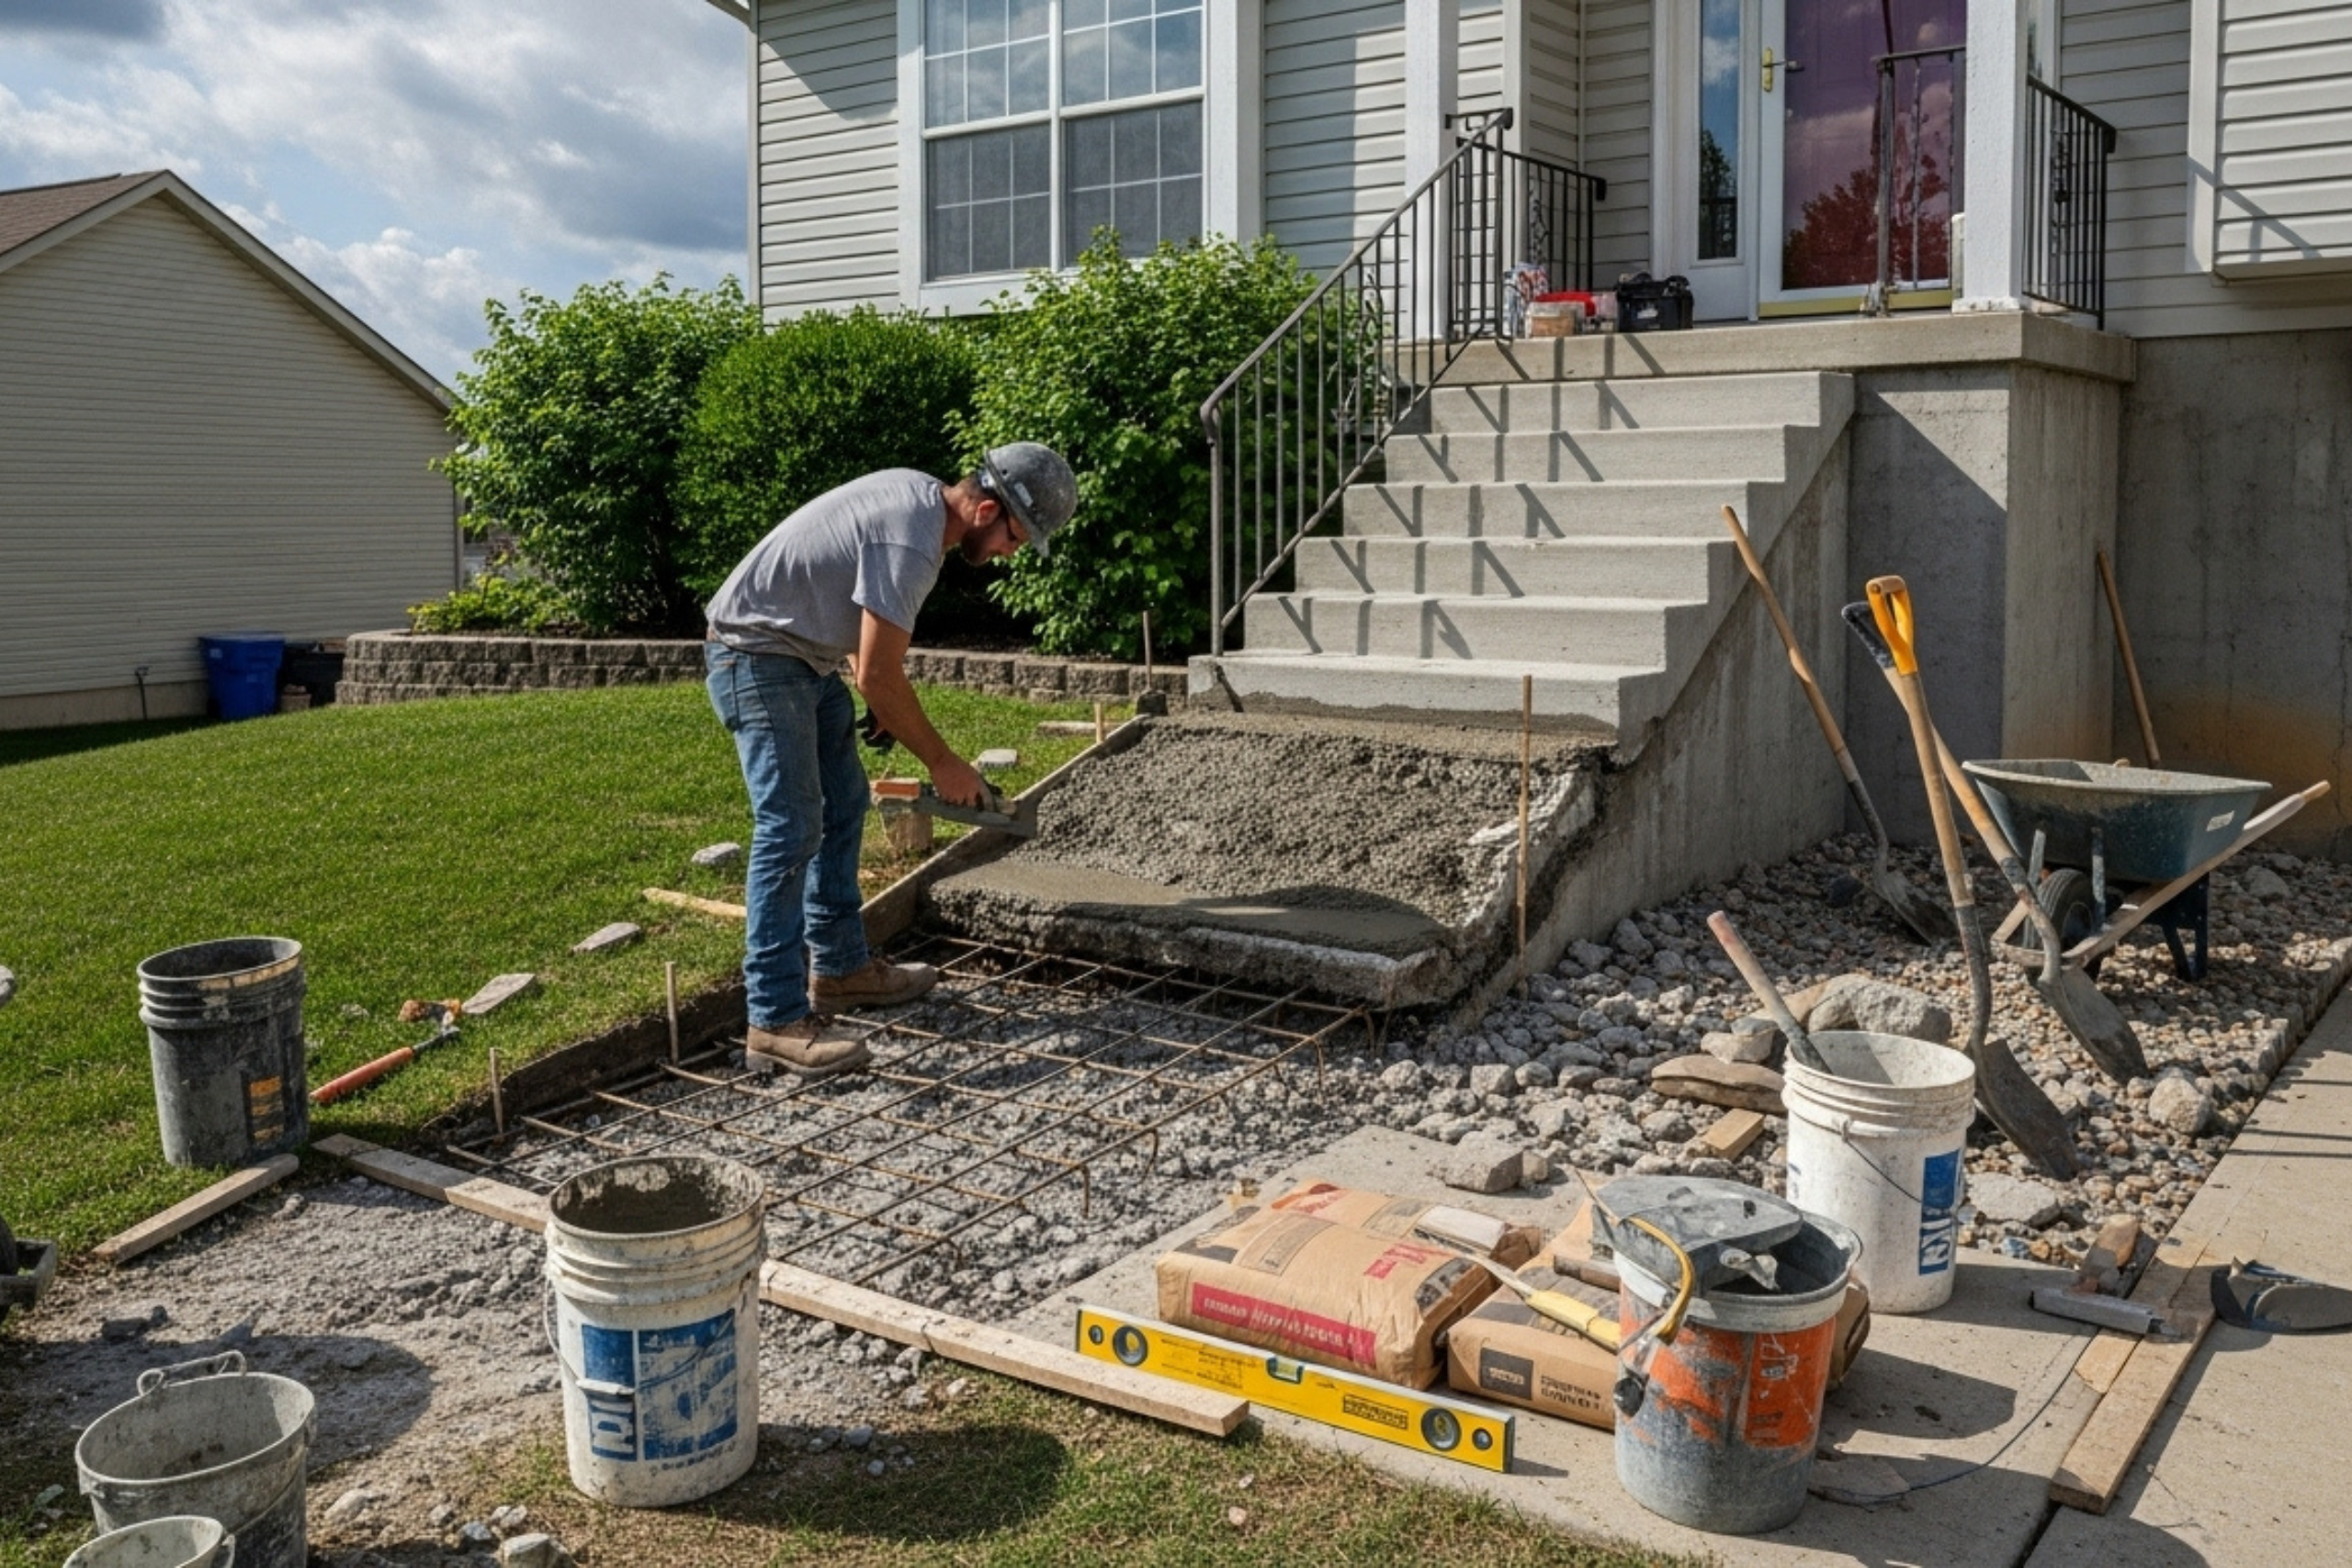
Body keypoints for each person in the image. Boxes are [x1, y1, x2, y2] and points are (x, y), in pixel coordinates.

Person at [703, 443, 1077, 1075]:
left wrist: (870, 679)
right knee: (789, 829)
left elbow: (847, 605)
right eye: (1017, 536)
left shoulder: (918, 501)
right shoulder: (913, 541)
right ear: (987, 509)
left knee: (845, 802)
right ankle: (773, 1018)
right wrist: (943, 761)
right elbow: (880, 674)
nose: (1012, 553)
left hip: (800, 655)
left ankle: (843, 967)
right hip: (759, 657)